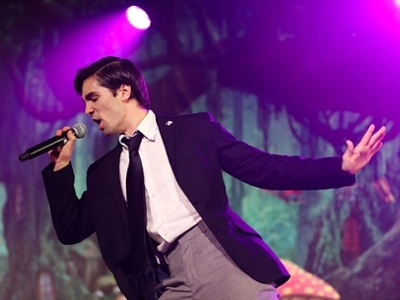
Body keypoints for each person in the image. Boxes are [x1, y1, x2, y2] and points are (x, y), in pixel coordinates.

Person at [41, 56, 386, 300]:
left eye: (93, 98)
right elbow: (71, 230)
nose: (87, 111)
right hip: (164, 278)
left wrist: (339, 167)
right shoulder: (102, 172)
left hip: (216, 255)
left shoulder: (193, 131)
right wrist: (60, 168)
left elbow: (263, 167)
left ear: (124, 92)